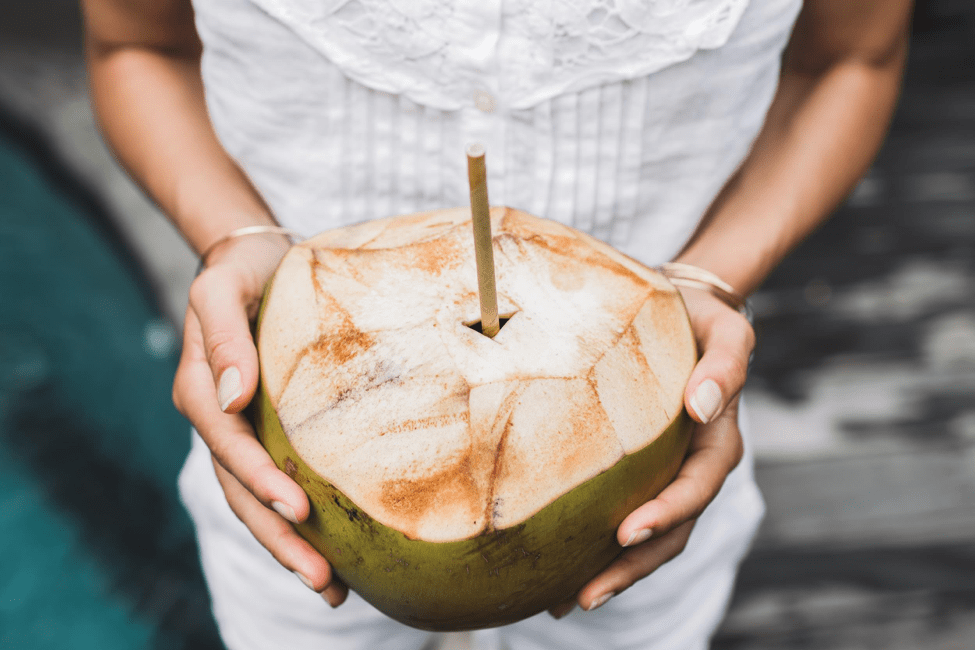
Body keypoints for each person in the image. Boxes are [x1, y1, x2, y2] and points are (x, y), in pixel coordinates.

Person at [82, 0, 913, 648]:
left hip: (653, 423)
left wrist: (710, 275)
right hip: (293, 429)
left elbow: (851, 57)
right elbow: (135, 45)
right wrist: (235, 237)